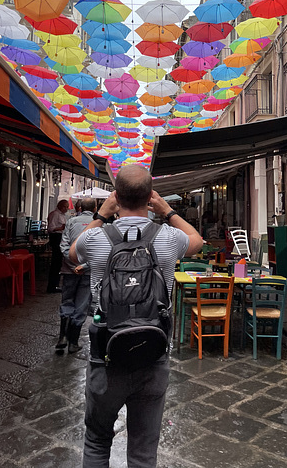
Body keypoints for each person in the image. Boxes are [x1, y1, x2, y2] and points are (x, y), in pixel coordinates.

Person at [69, 165, 202, 468]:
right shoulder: (169, 238)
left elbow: (73, 253)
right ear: (150, 197)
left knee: (96, 442)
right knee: (143, 451)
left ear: (115, 197)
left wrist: (102, 215)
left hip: (106, 358)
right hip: (152, 357)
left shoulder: (98, 238)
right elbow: (196, 240)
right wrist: (167, 210)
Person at [55, 197, 97, 355]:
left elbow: (63, 245)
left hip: (69, 270)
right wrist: (83, 266)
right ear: (95, 208)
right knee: (81, 304)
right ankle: (73, 342)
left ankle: (62, 338)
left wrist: (73, 265)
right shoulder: (99, 223)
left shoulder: (71, 222)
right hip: (87, 272)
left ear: (79, 207)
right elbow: (99, 251)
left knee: (67, 300)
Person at [46, 199, 69, 293]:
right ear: (60, 206)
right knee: (56, 263)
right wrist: (61, 228)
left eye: (67, 207)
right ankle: (52, 286)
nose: (67, 209)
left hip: (61, 237)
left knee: (59, 263)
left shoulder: (62, 215)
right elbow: (50, 228)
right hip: (56, 238)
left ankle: (56, 284)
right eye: (65, 207)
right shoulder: (55, 214)